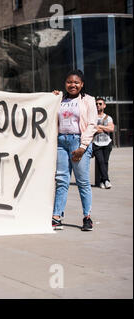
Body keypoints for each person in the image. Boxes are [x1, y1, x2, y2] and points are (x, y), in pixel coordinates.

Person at [52, 70, 98, 231]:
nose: (73, 85)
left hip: (79, 142)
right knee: (62, 180)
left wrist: (83, 147)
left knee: (83, 182)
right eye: (69, 82)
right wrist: (52, 97)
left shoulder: (88, 100)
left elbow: (92, 124)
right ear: (65, 83)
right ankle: (57, 216)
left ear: (82, 84)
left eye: (76, 82)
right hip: (61, 142)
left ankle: (87, 217)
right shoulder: (60, 99)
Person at [92, 98, 114, 189]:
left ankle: (102, 181)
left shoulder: (108, 117)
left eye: (100, 104)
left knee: (105, 162)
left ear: (104, 105)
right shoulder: (92, 117)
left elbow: (111, 129)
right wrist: (105, 128)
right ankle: (106, 180)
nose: (98, 105)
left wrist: (100, 126)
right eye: (96, 104)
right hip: (96, 143)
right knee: (100, 162)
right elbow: (92, 129)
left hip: (107, 143)